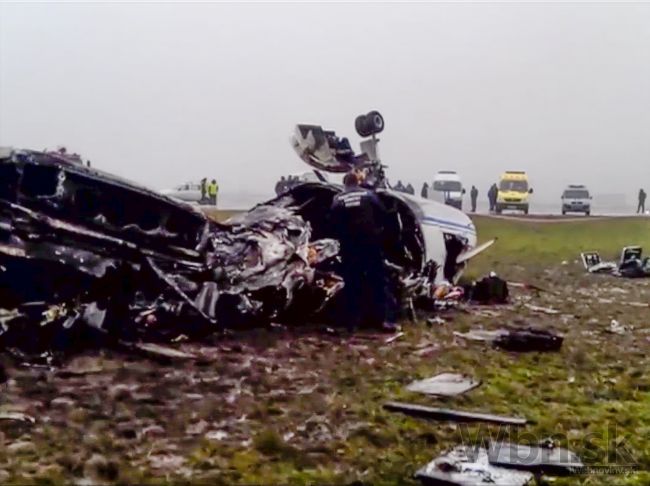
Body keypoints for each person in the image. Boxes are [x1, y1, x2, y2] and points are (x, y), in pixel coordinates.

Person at [330, 171, 399, 333]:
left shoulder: (338, 199)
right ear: (357, 182)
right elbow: (383, 214)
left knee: (352, 283)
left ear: (345, 184)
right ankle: (382, 320)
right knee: (377, 280)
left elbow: (332, 221)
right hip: (370, 243)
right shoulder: (369, 195)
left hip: (350, 247)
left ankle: (351, 322)